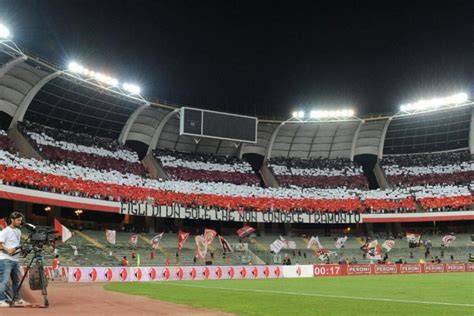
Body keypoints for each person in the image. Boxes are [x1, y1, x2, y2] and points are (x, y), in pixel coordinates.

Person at [0, 212, 30, 307]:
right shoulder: (5, 231)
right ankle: (0, 300)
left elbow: (16, 245)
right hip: (5, 259)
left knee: (16, 281)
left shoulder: (18, 231)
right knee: (4, 281)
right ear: (12, 219)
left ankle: (17, 299)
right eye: (18, 220)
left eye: (21, 220)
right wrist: (7, 249)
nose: (20, 222)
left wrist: (21, 251)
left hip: (15, 260)